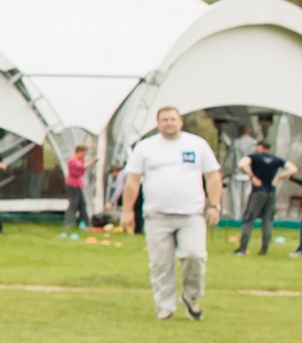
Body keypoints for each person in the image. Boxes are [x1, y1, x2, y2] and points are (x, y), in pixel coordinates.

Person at [121, 105, 221, 320]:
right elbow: (132, 181)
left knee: (195, 255)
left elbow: (213, 176)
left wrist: (214, 205)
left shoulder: (196, 145)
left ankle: (191, 296)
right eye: (164, 120)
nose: (169, 123)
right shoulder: (145, 147)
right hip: (157, 214)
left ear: (180, 122)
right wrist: (127, 211)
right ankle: (164, 306)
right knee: (160, 263)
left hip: (191, 214)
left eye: (173, 119)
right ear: (158, 123)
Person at [233, 135, 285, 255]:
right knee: (267, 220)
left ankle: (243, 248)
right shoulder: (276, 159)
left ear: (260, 147)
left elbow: (241, 164)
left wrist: (252, 176)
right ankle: (264, 249)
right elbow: (293, 168)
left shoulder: (254, 157)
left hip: (258, 191)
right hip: (271, 192)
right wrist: (279, 177)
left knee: (249, 218)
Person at [62, 143, 91, 228]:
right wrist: (92, 162)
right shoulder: (72, 160)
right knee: (73, 204)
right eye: (84, 153)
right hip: (72, 185)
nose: (85, 155)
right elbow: (80, 167)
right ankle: (68, 223)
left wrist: (90, 146)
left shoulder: (81, 159)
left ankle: (86, 223)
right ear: (79, 151)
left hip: (78, 184)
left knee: (82, 203)